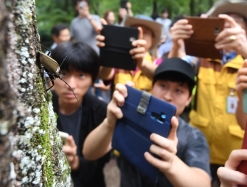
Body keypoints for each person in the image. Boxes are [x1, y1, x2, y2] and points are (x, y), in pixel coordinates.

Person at [83, 58, 211, 187]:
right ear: (152, 87)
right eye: (163, 86)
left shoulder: (193, 136)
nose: (168, 96)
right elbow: (89, 153)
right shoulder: (131, 118)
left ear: (189, 98)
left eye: (178, 90)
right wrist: (109, 124)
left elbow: (203, 182)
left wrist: (171, 163)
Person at [168, 0, 247, 186]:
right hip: (199, 149)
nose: (229, 28)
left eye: (236, 22)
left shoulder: (245, 64)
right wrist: (176, 46)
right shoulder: (201, 59)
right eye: (223, 23)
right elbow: (173, 77)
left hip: (234, 154)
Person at [50, 41, 110, 187]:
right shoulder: (42, 105)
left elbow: (102, 160)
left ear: (92, 79)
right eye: (63, 74)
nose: (70, 84)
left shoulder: (101, 110)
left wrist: (76, 163)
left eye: (81, 75)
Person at [98, 15, 162, 92]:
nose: (140, 35)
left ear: (153, 39)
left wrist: (141, 63)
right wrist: (108, 48)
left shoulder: (158, 63)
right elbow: (104, 76)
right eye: (135, 31)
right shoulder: (119, 60)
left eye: (145, 32)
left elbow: (163, 77)